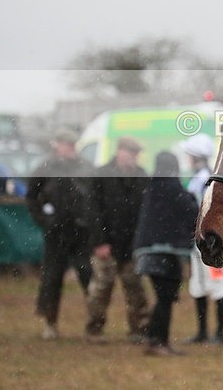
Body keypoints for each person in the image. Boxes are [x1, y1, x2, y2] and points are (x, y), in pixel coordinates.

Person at [26, 128, 93, 340]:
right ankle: (50, 322)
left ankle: (94, 322)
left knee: (87, 274)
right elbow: (31, 198)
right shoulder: (45, 167)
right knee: (52, 277)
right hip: (56, 232)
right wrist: (44, 221)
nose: (69, 149)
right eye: (66, 144)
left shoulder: (85, 167)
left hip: (81, 230)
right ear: (57, 145)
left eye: (73, 145)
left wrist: (90, 220)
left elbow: (94, 196)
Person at [85, 136, 150, 343]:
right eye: (130, 152)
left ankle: (138, 329)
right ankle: (94, 329)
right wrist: (99, 242)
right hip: (107, 244)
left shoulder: (141, 176)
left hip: (132, 245)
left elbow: (145, 212)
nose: (133, 157)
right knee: (101, 289)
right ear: (120, 151)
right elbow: (93, 211)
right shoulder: (102, 175)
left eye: (136, 154)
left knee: (136, 289)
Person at [133, 151, 199, 356]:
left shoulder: (153, 186)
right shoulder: (170, 185)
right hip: (164, 251)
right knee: (165, 297)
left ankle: (158, 340)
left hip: (150, 249)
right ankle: (156, 341)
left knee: (164, 297)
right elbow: (189, 210)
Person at [181, 134, 223, 345]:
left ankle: (218, 333)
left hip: (209, 244)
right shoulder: (203, 177)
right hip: (201, 244)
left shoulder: (203, 179)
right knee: (199, 285)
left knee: (217, 285)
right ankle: (204, 332)